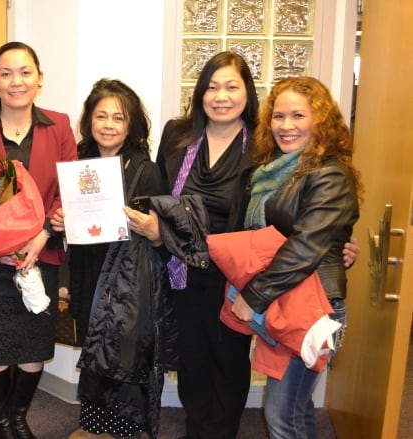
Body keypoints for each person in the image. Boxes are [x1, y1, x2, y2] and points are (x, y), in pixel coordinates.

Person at [148, 51, 360, 439]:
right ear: (199, 92)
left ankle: (222, 431)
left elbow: (301, 214)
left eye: (232, 86)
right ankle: (198, 429)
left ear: (247, 93)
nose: (221, 96)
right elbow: (160, 194)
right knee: (192, 360)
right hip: (184, 268)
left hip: (242, 275)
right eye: (212, 87)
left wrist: (336, 242)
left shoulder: (262, 147)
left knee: (232, 364)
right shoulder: (179, 134)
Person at [0, 41, 78, 439]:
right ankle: (4, 427)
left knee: (33, 346)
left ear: (40, 78)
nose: (16, 81)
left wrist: (40, 237)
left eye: (25, 72)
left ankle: (19, 419)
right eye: (6, 73)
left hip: (42, 254)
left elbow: (68, 193)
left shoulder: (59, 125)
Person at [231, 76, 360, 439]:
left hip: (315, 306)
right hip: (289, 300)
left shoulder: (329, 173)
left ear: (320, 121)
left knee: (281, 415)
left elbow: (304, 246)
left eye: (297, 116)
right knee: (296, 408)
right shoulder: (277, 172)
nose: (285, 126)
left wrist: (252, 296)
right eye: (278, 116)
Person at [53, 78, 175, 439]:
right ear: (89, 120)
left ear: (131, 125)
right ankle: (94, 426)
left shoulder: (145, 169)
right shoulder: (77, 162)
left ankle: (122, 429)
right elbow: (68, 218)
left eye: (118, 118)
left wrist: (148, 225)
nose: (108, 124)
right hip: (88, 269)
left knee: (124, 350)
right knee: (94, 344)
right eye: (101, 116)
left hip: (128, 279)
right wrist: (61, 220)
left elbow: (162, 233)